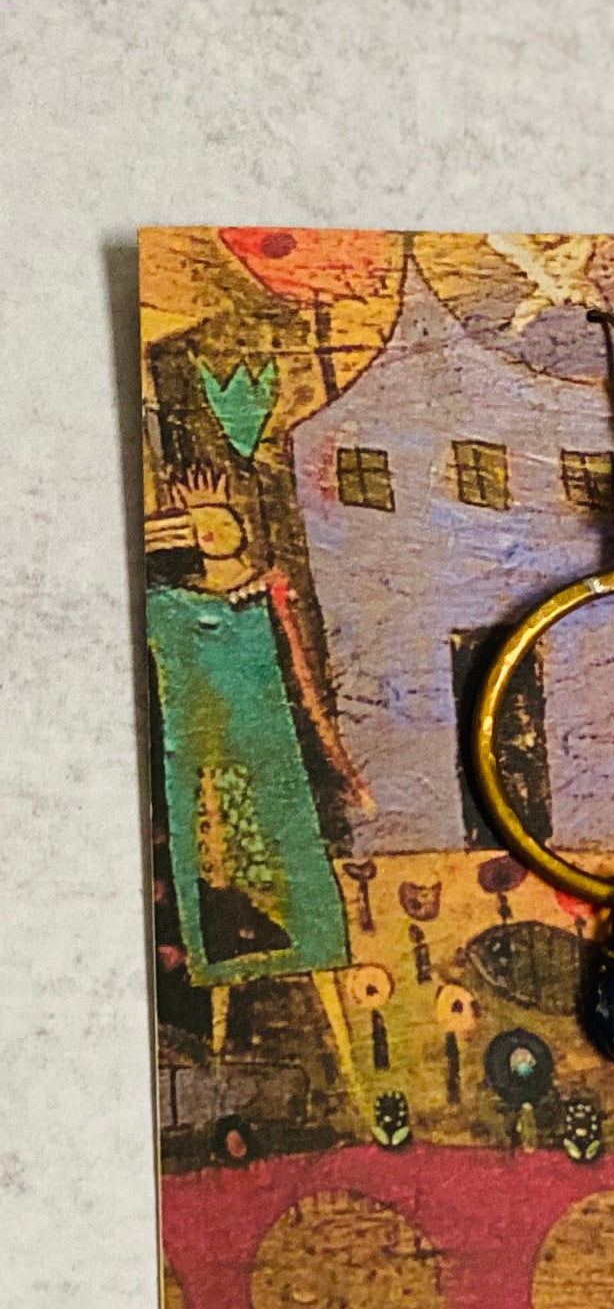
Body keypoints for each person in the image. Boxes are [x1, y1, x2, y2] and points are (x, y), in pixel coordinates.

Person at [145, 467, 371, 1105]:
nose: (212, 532)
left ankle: (347, 1064)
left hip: (273, 769)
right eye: (199, 524)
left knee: (306, 915)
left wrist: (340, 766)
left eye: (221, 519)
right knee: (220, 924)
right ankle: (218, 1051)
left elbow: (304, 685)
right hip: (205, 778)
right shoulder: (166, 607)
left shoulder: (265, 595)